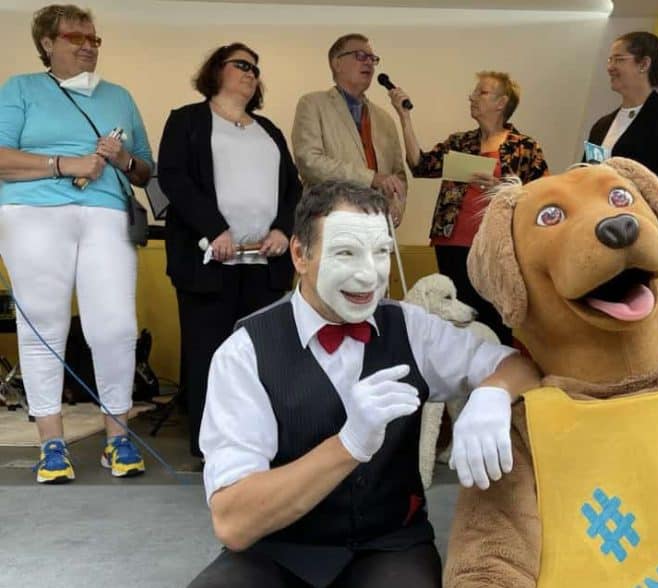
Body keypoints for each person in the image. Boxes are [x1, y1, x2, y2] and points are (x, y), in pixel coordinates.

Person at [188, 181, 541, 588]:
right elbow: (234, 522)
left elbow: (523, 367)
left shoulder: (412, 327)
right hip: (278, 548)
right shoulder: (244, 353)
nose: (369, 274)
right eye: (346, 252)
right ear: (301, 255)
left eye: (381, 253)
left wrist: (492, 394)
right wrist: (349, 445)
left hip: (388, 545)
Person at [0, 4, 153, 483]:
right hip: (32, 212)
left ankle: (118, 439)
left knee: (116, 327)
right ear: (47, 43)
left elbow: (147, 170)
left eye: (94, 39)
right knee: (43, 324)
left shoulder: (119, 95)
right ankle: (51, 444)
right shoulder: (21, 88)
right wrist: (65, 164)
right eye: (75, 37)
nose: (88, 45)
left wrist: (124, 158)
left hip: (106, 212)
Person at [157, 43, 301, 458]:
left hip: (265, 262)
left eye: (256, 68)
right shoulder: (187, 121)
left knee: (263, 356)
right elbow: (175, 178)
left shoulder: (268, 129)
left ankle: (260, 443)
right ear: (216, 70)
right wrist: (214, 229)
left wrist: (282, 229)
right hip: (210, 261)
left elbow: (293, 187)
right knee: (210, 355)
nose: (251, 73)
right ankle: (213, 448)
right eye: (242, 65)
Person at [387, 71, 548, 345]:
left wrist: (501, 187)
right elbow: (420, 165)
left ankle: (496, 372)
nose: (472, 97)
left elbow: (541, 196)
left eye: (481, 92)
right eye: (474, 92)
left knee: (493, 315)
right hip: (451, 241)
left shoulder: (524, 147)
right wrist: (405, 118)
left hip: (495, 244)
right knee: (457, 315)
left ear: (501, 102)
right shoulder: (461, 142)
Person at [291, 33, 406, 224]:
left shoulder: (385, 119)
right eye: (360, 56)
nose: (369, 63)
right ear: (337, 63)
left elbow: (398, 176)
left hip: (376, 225)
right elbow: (309, 162)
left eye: (372, 58)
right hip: (329, 221)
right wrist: (371, 178)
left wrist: (397, 206)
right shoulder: (312, 104)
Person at [586, 31, 658, 180]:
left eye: (618, 59)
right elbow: (586, 174)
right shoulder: (601, 126)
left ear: (644, 64)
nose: (610, 67)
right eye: (610, 60)